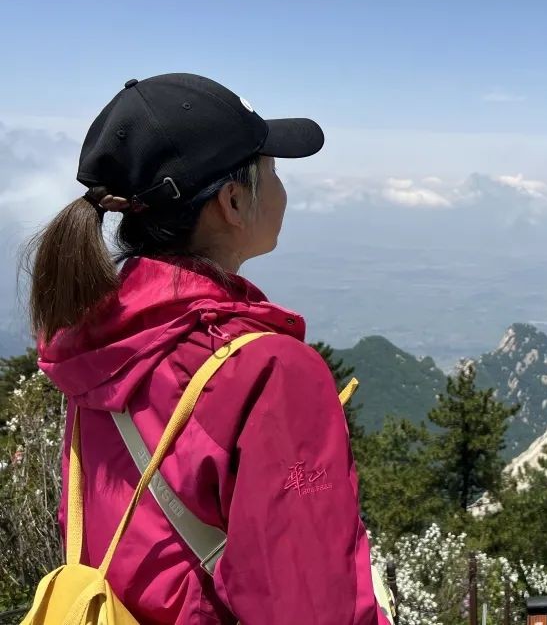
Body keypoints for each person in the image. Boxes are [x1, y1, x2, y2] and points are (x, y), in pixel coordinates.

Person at [25, 73, 391, 624]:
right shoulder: (267, 371)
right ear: (234, 201)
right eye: (271, 169)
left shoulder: (94, 345)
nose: (283, 188)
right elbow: (311, 607)